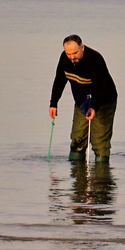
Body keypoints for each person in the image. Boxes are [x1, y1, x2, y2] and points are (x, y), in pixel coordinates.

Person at [48, 34, 118, 163]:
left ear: (82, 47)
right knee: (77, 138)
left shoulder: (95, 59)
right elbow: (59, 80)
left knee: (99, 139)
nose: (72, 57)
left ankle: (101, 174)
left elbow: (101, 88)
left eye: (75, 53)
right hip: (82, 101)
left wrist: (94, 107)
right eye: (68, 54)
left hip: (104, 100)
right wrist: (53, 103)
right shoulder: (65, 59)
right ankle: (77, 174)